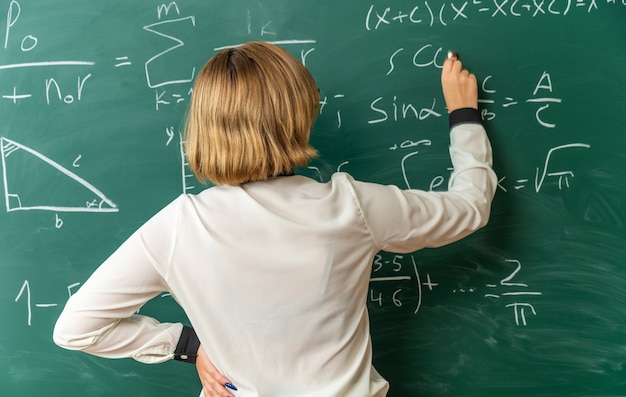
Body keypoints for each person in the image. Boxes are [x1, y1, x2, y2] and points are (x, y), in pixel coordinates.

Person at [53, 42, 497, 397]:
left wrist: (189, 345)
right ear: (298, 118)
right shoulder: (351, 207)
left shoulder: (180, 225)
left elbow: (77, 329)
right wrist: (464, 114)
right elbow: (472, 206)